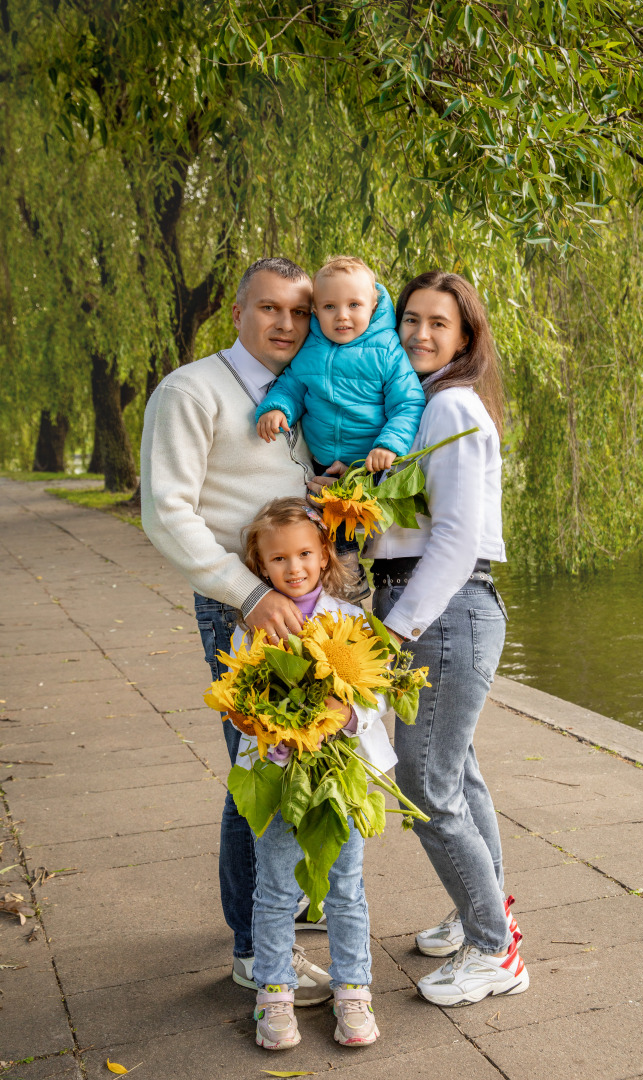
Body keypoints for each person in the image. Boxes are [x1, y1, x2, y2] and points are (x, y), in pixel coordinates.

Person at [141, 257, 337, 1005]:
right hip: (241, 606)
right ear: (236, 310)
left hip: (297, 601)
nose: (286, 324)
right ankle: (256, 949)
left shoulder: (299, 392)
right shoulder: (192, 390)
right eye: (270, 309)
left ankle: (278, 904)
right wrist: (248, 594)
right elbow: (167, 511)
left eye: (298, 312)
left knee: (297, 756)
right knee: (258, 769)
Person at [367, 270, 529, 1006]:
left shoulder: (453, 405)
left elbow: (458, 538)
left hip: (444, 607)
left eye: (439, 323)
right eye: (410, 320)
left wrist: (391, 630)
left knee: (425, 779)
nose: (420, 334)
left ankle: (494, 951)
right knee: (455, 771)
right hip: (435, 604)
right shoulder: (424, 406)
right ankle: (483, 913)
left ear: (465, 337)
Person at [234, 497, 396, 1050]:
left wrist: (346, 714)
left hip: (339, 774)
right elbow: (242, 699)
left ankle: (354, 988)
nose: (294, 567)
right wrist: (271, 732)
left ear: (325, 554)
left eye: (304, 553)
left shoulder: (350, 620)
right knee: (275, 887)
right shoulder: (252, 628)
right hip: (279, 776)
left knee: (345, 886)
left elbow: (374, 695)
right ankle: (273, 994)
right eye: (278, 559)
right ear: (259, 565)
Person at [255, 256, 426, 596]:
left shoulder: (387, 350)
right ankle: (332, 589)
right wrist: (277, 408)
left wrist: (388, 445)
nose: (342, 316)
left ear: (374, 305)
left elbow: (407, 403)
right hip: (322, 461)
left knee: (351, 525)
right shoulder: (311, 349)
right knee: (321, 526)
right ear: (316, 310)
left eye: (353, 305)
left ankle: (353, 585)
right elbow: (292, 385)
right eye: (330, 306)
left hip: (367, 462)